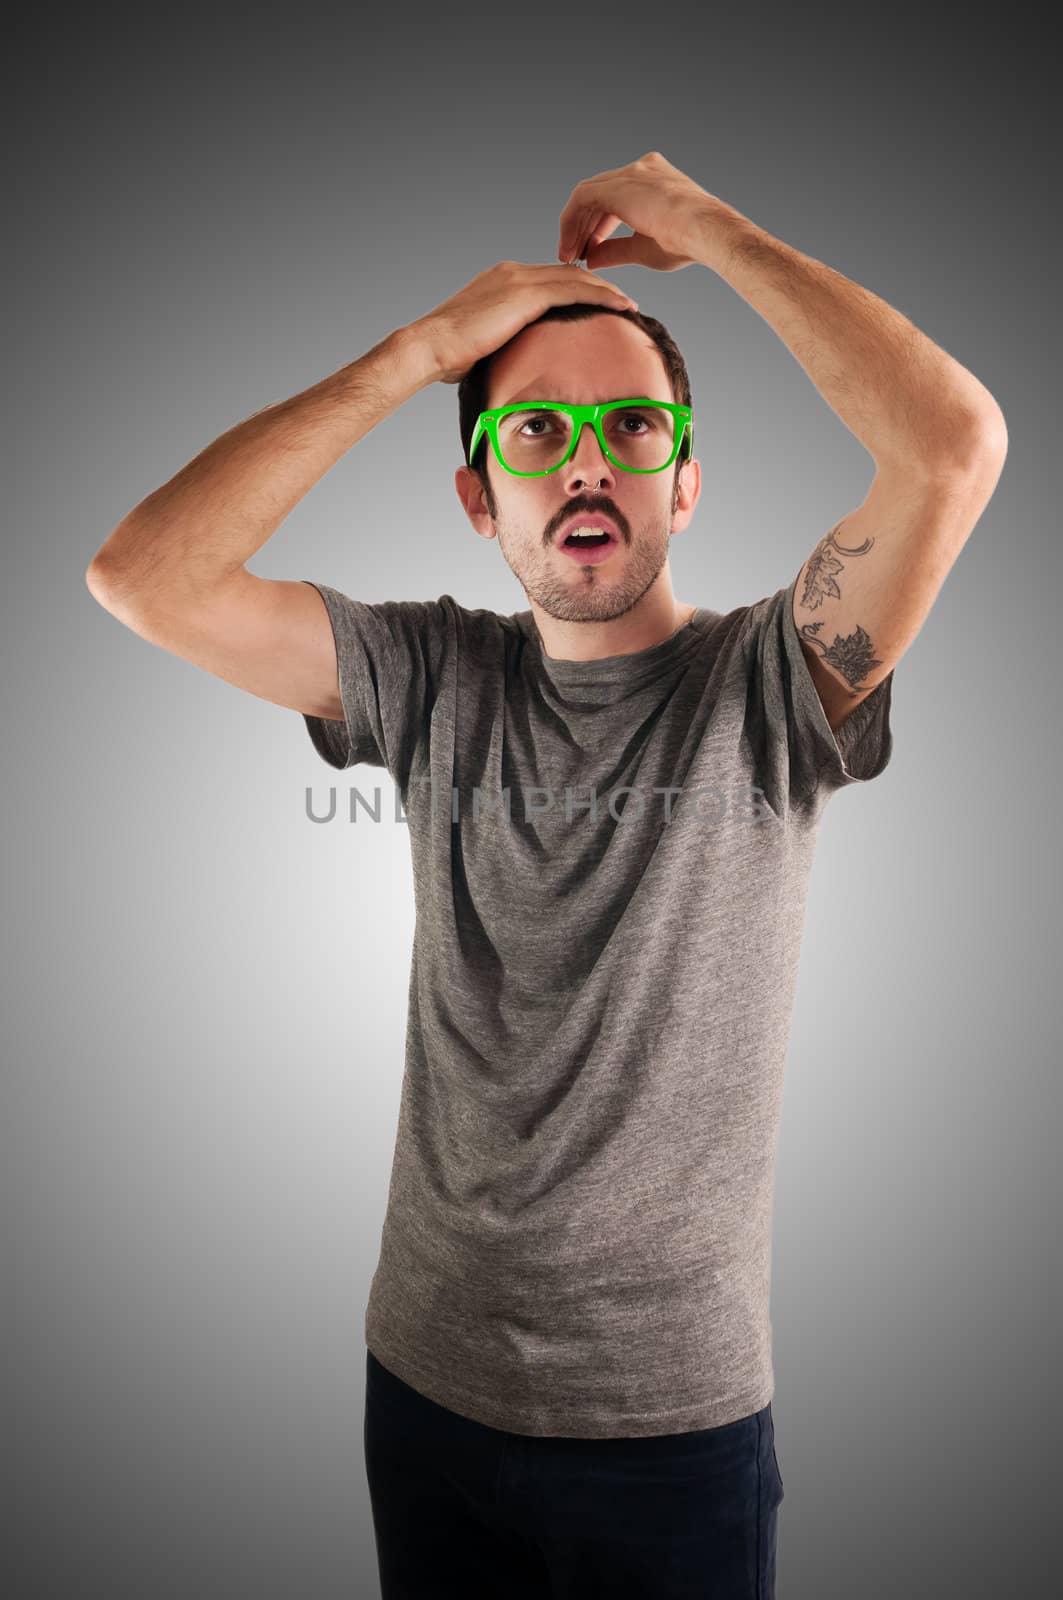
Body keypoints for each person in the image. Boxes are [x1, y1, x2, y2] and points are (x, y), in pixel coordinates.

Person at [85, 156, 1007, 1599]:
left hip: (675, 1427)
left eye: (633, 428)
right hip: (426, 1390)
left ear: (686, 480)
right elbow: (144, 575)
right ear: (479, 496)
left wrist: (708, 230)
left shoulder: (771, 687)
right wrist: (414, 353)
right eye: (538, 434)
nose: (587, 460)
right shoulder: (429, 675)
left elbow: (954, 442)